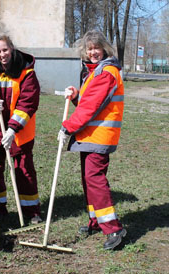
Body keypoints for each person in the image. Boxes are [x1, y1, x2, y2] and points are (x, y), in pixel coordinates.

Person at [58, 30, 126, 250]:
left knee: (95, 180)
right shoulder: (94, 72)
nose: (93, 52)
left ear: (104, 49)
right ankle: (96, 221)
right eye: (89, 49)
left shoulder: (106, 72)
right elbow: (88, 103)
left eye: (96, 48)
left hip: (99, 136)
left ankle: (114, 229)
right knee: (89, 180)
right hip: (90, 136)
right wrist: (76, 95)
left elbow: (90, 108)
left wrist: (67, 127)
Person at [0, 35, 41, 224]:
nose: (2, 54)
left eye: (5, 50)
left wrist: (12, 129)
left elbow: (28, 103)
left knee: (23, 169)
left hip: (19, 132)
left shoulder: (26, 72)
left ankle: (31, 211)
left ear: (11, 49)